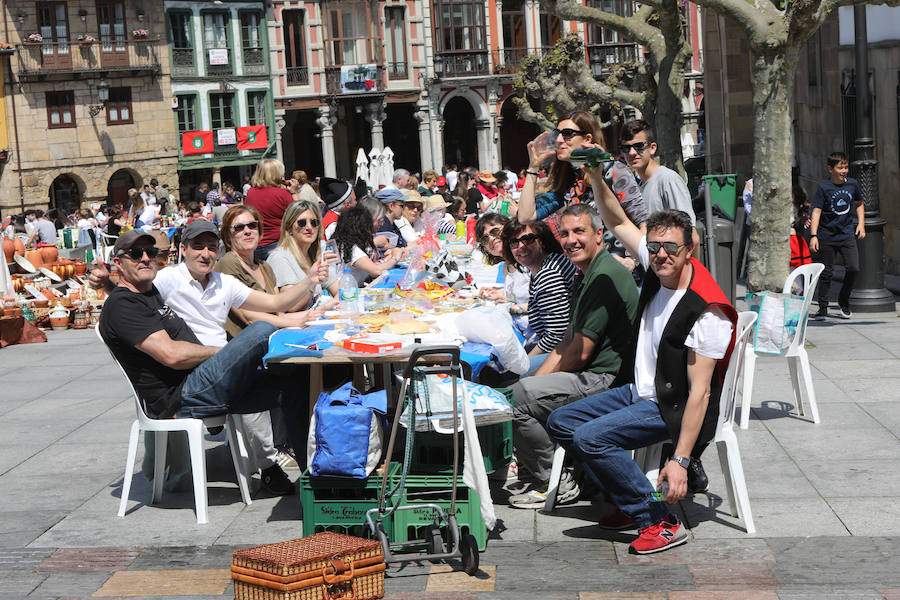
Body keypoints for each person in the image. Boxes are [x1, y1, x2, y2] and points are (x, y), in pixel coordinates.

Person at [547, 174, 737, 554]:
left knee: (590, 437)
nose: (662, 254)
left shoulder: (707, 311)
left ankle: (659, 520)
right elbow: (617, 222)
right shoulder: (659, 267)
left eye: (671, 247)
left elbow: (699, 393)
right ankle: (629, 494)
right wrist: (596, 176)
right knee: (561, 422)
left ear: (690, 249)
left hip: (674, 406)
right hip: (642, 390)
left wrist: (681, 460)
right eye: (655, 247)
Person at [96, 223, 331, 495]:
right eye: (136, 254)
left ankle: (314, 482)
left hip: (207, 382)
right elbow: (171, 355)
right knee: (260, 331)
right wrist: (227, 353)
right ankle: (274, 467)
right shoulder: (126, 303)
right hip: (183, 395)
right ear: (118, 262)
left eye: (150, 252)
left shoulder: (149, 292)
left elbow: (275, 305)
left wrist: (309, 282)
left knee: (298, 378)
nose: (146, 258)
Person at [507, 204, 639, 509]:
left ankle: (554, 480)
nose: (570, 240)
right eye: (564, 233)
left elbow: (579, 354)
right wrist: (536, 381)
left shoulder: (603, 276)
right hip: (595, 372)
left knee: (514, 400)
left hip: (607, 379)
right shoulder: (589, 271)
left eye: (579, 231)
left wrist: (532, 388)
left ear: (598, 234)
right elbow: (564, 342)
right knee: (524, 387)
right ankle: (561, 470)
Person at [214, 205, 328, 464]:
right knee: (302, 380)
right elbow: (249, 317)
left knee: (317, 372)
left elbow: (276, 314)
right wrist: (303, 319)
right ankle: (303, 464)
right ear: (227, 236)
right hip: (244, 359)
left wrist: (310, 318)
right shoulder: (228, 264)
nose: (247, 231)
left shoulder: (263, 266)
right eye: (239, 228)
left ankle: (317, 457)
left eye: (252, 225)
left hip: (269, 348)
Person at [517, 111, 647, 270]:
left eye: (567, 134)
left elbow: (643, 222)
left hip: (622, 274)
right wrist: (533, 167)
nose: (558, 140)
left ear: (587, 139)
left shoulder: (614, 170)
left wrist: (633, 261)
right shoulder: (569, 181)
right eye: (557, 134)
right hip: (589, 274)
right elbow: (526, 216)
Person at [500, 220, 579, 359]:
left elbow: (556, 336)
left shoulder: (548, 274)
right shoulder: (547, 263)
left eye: (527, 239)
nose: (521, 247)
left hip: (565, 353)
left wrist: (526, 363)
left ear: (542, 241)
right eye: (514, 243)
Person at [810, 151, 865, 320]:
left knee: (854, 268)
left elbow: (859, 203)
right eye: (840, 168)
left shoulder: (853, 184)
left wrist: (861, 224)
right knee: (826, 273)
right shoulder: (824, 187)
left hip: (847, 234)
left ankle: (843, 300)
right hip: (826, 235)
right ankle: (823, 308)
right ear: (830, 169)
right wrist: (814, 235)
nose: (844, 171)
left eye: (846, 168)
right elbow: (817, 211)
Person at [267, 199, 340, 310]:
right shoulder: (280, 258)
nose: (309, 227)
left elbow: (340, 291)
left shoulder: (315, 253)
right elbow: (292, 306)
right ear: (289, 227)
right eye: (302, 223)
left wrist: (333, 305)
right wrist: (312, 282)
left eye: (314, 222)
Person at [619, 119, 694, 225]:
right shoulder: (635, 185)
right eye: (626, 148)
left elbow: (690, 232)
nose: (632, 153)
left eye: (638, 146)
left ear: (653, 148)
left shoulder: (668, 180)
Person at [475, 214, 532, 353]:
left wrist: (513, 308)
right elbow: (523, 294)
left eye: (495, 232)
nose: (492, 239)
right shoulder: (507, 266)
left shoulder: (527, 260)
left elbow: (548, 302)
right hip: (520, 335)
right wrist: (502, 295)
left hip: (538, 341)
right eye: (485, 238)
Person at [332, 205, 402, 285]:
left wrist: (389, 258)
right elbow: (376, 271)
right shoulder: (353, 248)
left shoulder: (351, 244)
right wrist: (395, 258)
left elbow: (371, 268)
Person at [245, 159, 295, 261]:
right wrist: (293, 193)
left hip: (256, 245)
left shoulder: (250, 192)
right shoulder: (282, 194)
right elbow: (297, 215)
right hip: (278, 244)